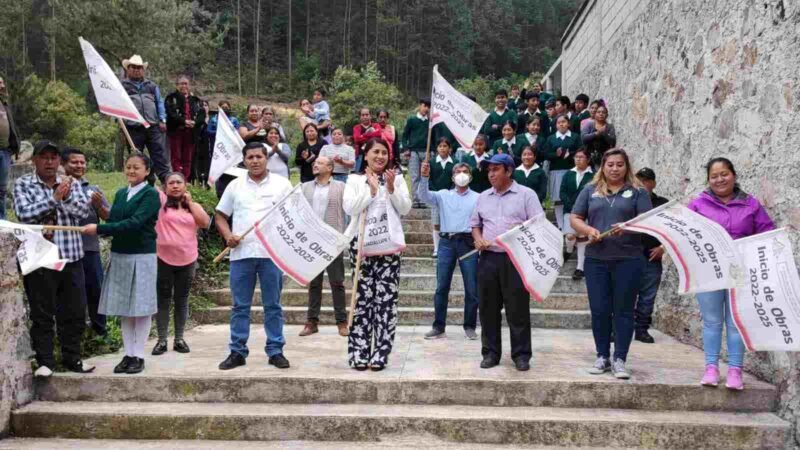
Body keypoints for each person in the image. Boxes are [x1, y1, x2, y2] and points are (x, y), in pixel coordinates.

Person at [688, 157, 775, 390]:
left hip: (741, 271)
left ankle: (735, 371)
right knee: (712, 321)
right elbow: (686, 233)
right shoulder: (698, 205)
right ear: (708, 180)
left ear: (733, 175)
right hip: (709, 272)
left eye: (724, 174)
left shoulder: (751, 204)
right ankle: (711, 369)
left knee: (736, 321)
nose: (719, 179)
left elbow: (768, 232)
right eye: (714, 176)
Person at [570, 148, 652, 380]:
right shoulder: (590, 191)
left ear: (627, 167)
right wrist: (588, 230)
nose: (614, 169)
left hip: (629, 259)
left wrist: (629, 227)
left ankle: (620, 359)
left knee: (624, 311)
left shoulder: (638, 192)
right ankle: (602, 356)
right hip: (596, 259)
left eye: (619, 164)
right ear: (602, 167)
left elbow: (647, 222)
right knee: (599, 310)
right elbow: (575, 218)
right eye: (610, 164)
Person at [15, 141, 93, 377]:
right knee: (42, 313)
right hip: (40, 259)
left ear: (59, 161)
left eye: (53, 157)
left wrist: (65, 197)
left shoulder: (72, 183)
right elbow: (24, 214)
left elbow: (82, 212)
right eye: (44, 157)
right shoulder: (23, 184)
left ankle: (73, 359)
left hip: (71, 256)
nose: (49, 162)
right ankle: (45, 362)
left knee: (75, 312)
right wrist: (54, 199)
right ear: (34, 161)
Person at [215, 141, 294, 371]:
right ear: (244, 160)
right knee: (240, 306)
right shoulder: (235, 186)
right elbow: (220, 215)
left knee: (273, 305)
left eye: (259, 156)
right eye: (250, 158)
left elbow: (294, 215)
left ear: (266, 158)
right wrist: (228, 235)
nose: (255, 161)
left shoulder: (282, 185)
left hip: (272, 253)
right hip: (242, 254)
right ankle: (237, 351)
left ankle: (276, 350)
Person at [83, 153, 161, 375]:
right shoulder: (120, 193)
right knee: (125, 309)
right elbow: (115, 220)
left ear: (147, 171)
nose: (131, 171)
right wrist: (100, 209)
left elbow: (135, 223)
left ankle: (139, 355)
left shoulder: (150, 195)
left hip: (142, 255)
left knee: (141, 307)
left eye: (137, 167)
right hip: (120, 254)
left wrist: (98, 229)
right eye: (128, 167)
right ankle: (128, 354)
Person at [470, 153, 544, 371]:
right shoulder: (483, 197)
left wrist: (519, 237)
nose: (491, 174)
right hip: (489, 258)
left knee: (517, 309)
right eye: (489, 170)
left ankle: (521, 355)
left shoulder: (526, 195)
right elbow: (475, 224)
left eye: (496, 170)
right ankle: (491, 353)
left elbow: (538, 224)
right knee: (487, 308)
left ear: (509, 171)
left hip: (516, 259)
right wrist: (478, 239)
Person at [344, 138, 411, 370]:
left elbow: (405, 208)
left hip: (388, 248)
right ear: (366, 153)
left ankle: (381, 353)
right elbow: (350, 208)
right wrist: (371, 191)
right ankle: (359, 352)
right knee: (361, 301)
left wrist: (390, 189)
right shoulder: (354, 179)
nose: (380, 156)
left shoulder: (398, 178)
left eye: (384, 152)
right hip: (361, 247)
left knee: (385, 302)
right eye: (375, 152)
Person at [419, 161, 480, 340]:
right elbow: (423, 196)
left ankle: (469, 326)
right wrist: (424, 177)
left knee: (472, 287)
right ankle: (439, 326)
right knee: (441, 286)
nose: (462, 174)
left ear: (470, 176)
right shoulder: (443, 195)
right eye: (458, 171)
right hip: (446, 242)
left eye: (465, 171)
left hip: (468, 243)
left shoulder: (478, 197)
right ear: (453, 177)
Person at [151, 172, 210, 356]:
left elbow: (205, 222)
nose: (175, 186)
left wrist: (190, 203)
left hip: (188, 259)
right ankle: (161, 340)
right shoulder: (160, 204)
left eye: (179, 182)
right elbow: (149, 182)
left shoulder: (193, 207)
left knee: (182, 300)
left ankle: (179, 339)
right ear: (165, 187)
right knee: (163, 299)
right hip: (163, 258)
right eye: (171, 183)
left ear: (185, 186)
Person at [61, 148, 110, 338]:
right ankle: (74, 337)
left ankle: (100, 333)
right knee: (71, 297)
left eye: (82, 162)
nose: (79, 165)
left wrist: (99, 206)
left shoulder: (93, 190)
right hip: (65, 252)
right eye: (74, 162)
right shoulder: (57, 188)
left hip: (90, 248)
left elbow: (110, 218)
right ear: (64, 164)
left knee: (96, 291)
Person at [299, 156, 349, 338]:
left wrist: (345, 236)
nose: (315, 165)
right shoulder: (304, 187)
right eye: (315, 163)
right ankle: (311, 322)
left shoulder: (341, 187)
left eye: (319, 163)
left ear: (329, 167)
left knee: (337, 282)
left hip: (332, 240)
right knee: (314, 282)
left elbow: (349, 211)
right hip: (311, 241)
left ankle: (342, 322)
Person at [630, 167, 669, 343]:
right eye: (639, 181)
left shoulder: (663, 203)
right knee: (625, 295)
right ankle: (620, 329)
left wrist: (663, 247)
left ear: (653, 183)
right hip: (629, 255)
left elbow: (672, 231)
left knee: (648, 296)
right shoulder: (627, 201)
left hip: (652, 256)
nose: (643, 184)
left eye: (646, 181)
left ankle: (642, 329)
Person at [120, 55, 170, 183]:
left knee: (159, 155)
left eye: (139, 67)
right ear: (128, 69)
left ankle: (166, 182)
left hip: (153, 125)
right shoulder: (122, 86)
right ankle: (141, 183)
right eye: (133, 67)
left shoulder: (152, 86)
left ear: (143, 70)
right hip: (133, 127)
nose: (137, 70)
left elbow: (159, 103)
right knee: (136, 156)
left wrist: (162, 119)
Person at [560, 147, 593, 280]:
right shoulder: (568, 174)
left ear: (588, 159)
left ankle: (580, 267)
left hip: (586, 212)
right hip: (569, 210)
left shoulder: (593, 175)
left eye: (581, 157)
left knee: (582, 239)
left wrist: (583, 208)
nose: (578, 159)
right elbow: (562, 192)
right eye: (576, 157)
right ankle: (568, 250)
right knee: (570, 236)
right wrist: (572, 206)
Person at [544, 114, 581, 230]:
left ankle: (572, 224)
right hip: (556, 172)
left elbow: (581, 150)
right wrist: (556, 154)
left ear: (568, 124)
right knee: (558, 199)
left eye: (564, 122)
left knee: (571, 198)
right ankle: (561, 225)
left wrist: (570, 154)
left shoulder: (575, 137)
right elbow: (546, 154)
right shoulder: (551, 138)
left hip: (572, 171)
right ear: (556, 125)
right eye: (559, 122)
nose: (561, 124)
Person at [165, 75, 205, 179]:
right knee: (176, 156)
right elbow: (171, 113)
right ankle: (177, 178)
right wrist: (184, 121)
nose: (184, 86)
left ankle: (185, 179)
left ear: (189, 85)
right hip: (176, 132)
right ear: (177, 85)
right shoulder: (171, 98)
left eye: (186, 83)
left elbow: (202, 115)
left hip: (191, 133)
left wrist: (194, 123)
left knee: (188, 157)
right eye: (181, 83)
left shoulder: (196, 100)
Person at [427, 138, 455, 258]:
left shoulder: (454, 162)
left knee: (450, 222)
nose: (442, 148)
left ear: (449, 148)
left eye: (445, 146)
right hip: (436, 197)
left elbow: (455, 180)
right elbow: (429, 179)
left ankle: (451, 248)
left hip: (450, 197)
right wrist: (436, 193)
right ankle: (437, 248)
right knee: (436, 223)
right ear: (437, 148)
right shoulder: (432, 162)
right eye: (440, 146)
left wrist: (450, 193)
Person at [402, 98, 430, 208]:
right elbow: (405, 135)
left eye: (428, 107)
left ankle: (423, 199)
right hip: (414, 151)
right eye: (425, 106)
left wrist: (431, 151)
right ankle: (415, 199)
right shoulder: (412, 120)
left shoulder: (430, 121)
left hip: (426, 151)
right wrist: (406, 148)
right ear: (420, 106)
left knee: (425, 176)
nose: (426, 109)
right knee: (414, 176)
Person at [0, 76, 20, 219]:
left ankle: (2, 220)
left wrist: (16, 146)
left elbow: (12, 126)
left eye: (2, 82)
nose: (2, 85)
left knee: (1, 189)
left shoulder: (4, 103)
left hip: (5, 152)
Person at [582, 104, 616, 168]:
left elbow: (613, 141)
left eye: (603, 112)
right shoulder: (589, 124)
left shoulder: (609, 127)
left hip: (604, 157)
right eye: (599, 112)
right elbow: (583, 138)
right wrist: (596, 134)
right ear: (595, 114)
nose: (601, 114)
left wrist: (603, 133)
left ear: (607, 115)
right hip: (589, 157)